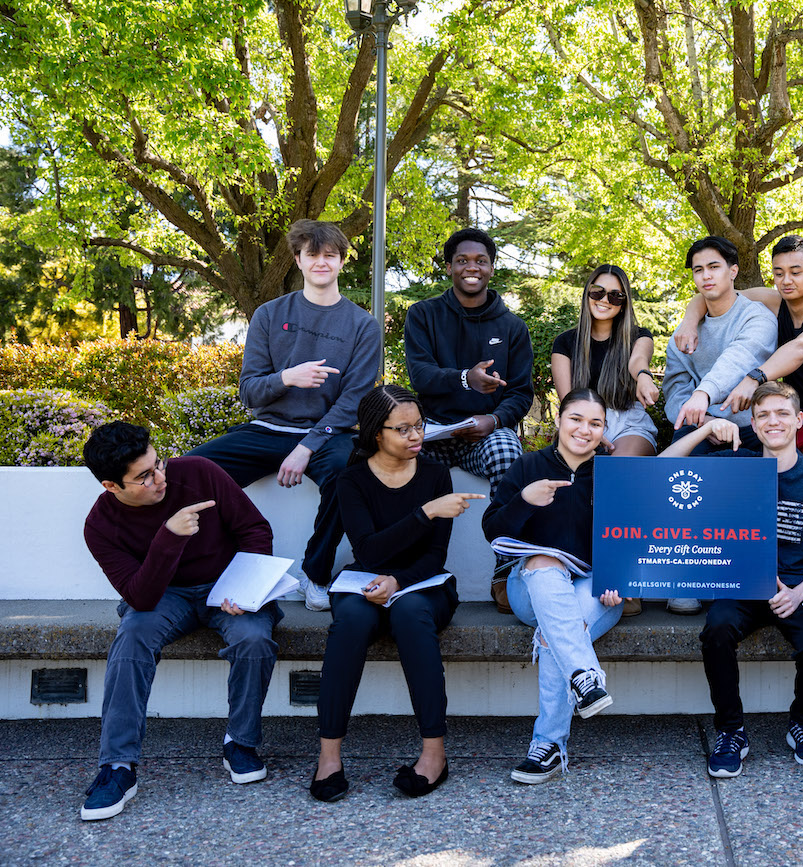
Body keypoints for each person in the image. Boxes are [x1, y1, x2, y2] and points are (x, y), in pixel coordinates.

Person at [80, 422, 280, 821]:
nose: (160, 479)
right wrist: (169, 536)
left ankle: (240, 742)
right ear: (111, 486)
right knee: (132, 636)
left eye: (159, 464)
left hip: (227, 587)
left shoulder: (198, 472)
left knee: (254, 638)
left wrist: (245, 587)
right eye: (144, 477)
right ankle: (118, 766)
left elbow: (255, 530)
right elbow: (140, 597)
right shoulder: (100, 525)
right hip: (164, 595)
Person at [190, 219, 382, 612]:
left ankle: (316, 575)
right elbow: (249, 391)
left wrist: (307, 446)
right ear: (298, 259)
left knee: (349, 472)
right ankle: (205, 572)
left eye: (330, 255)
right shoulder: (269, 314)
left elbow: (354, 403)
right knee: (190, 471)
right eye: (313, 254)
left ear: (342, 261)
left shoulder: (363, 326)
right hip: (266, 428)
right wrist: (287, 378)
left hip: (328, 434)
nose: (322, 262)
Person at [311, 385, 484, 802]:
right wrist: (425, 512)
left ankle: (434, 754)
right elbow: (368, 550)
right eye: (402, 429)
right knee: (351, 619)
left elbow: (435, 554)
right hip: (366, 578)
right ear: (376, 433)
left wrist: (399, 582)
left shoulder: (434, 475)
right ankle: (328, 757)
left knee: (410, 615)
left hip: (423, 583)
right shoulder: (350, 479)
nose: (415, 436)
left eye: (419, 426)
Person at [663, 382, 803, 777]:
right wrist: (707, 429)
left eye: (781, 413)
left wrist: (799, 594)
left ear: (798, 420)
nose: (772, 421)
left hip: (794, 587)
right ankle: (731, 731)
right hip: (738, 582)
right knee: (717, 630)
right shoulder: (736, 464)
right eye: (763, 415)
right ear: (754, 425)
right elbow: (664, 466)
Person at [482, 388, 624, 785]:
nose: (584, 429)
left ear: (604, 430)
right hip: (530, 587)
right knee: (544, 560)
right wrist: (525, 500)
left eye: (595, 423)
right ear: (559, 419)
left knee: (553, 634)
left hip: (597, 590)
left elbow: (634, 537)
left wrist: (620, 578)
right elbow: (492, 530)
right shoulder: (529, 467)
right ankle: (585, 673)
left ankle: (547, 745)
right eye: (576, 418)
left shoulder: (613, 473)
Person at [674, 235, 803, 475]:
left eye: (796, 272)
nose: (786, 280)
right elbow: (714, 292)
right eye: (779, 273)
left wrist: (754, 377)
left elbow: (802, 347)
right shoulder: (775, 302)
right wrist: (689, 321)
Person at [663, 235, 777, 614]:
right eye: (698, 270)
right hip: (702, 423)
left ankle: (747, 578)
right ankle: (686, 578)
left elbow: (740, 356)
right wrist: (705, 418)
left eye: (714, 267)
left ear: (733, 270)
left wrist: (705, 394)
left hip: (749, 427)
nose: (706, 276)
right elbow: (676, 388)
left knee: (750, 484)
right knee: (676, 483)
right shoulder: (685, 332)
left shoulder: (756, 316)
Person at [552, 263, 658, 616]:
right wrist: (591, 436)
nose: (605, 300)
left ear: (625, 302)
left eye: (616, 295)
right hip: (583, 422)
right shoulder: (565, 342)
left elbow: (639, 360)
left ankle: (624, 581)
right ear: (586, 293)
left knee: (619, 473)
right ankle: (582, 572)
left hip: (626, 420)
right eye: (597, 291)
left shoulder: (638, 336)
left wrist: (642, 377)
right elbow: (569, 404)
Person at [404, 227, 534, 497]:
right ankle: (407, 539)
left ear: (492, 268)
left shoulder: (513, 327)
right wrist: (465, 378)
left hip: (487, 435)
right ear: (450, 267)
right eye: (462, 261)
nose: (472, 267)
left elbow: (520, 392)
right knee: (393, 458)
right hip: (433, 432)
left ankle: (506, 536)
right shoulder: (423, 315)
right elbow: (420, 375)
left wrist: (495, 420)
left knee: (507, 453)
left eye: (481, 261)